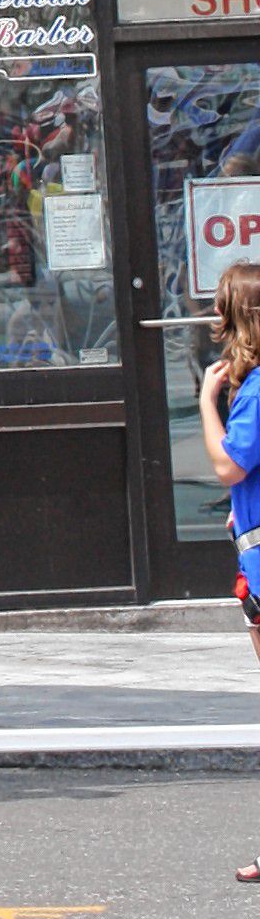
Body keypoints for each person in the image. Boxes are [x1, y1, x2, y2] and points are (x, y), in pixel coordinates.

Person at [200, 257, 260, 882]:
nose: (212, 317)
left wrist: (205, 401)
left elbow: (228, 467)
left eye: (220, 306)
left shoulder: (255, 391)